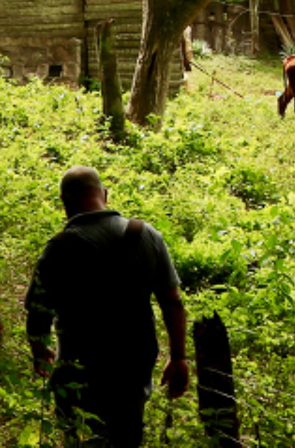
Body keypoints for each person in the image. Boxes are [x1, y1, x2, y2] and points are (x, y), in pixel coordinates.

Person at [26, 166, 189, 448]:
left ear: (65, 201)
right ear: (104, 194)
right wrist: (178, 357)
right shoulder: (147, 234)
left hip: (79, 372)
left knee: (82, 439)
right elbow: (173, 303)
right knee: (127, 437)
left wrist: (40, 351)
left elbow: (38, 311)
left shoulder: (58, 248)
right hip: (133, 368)